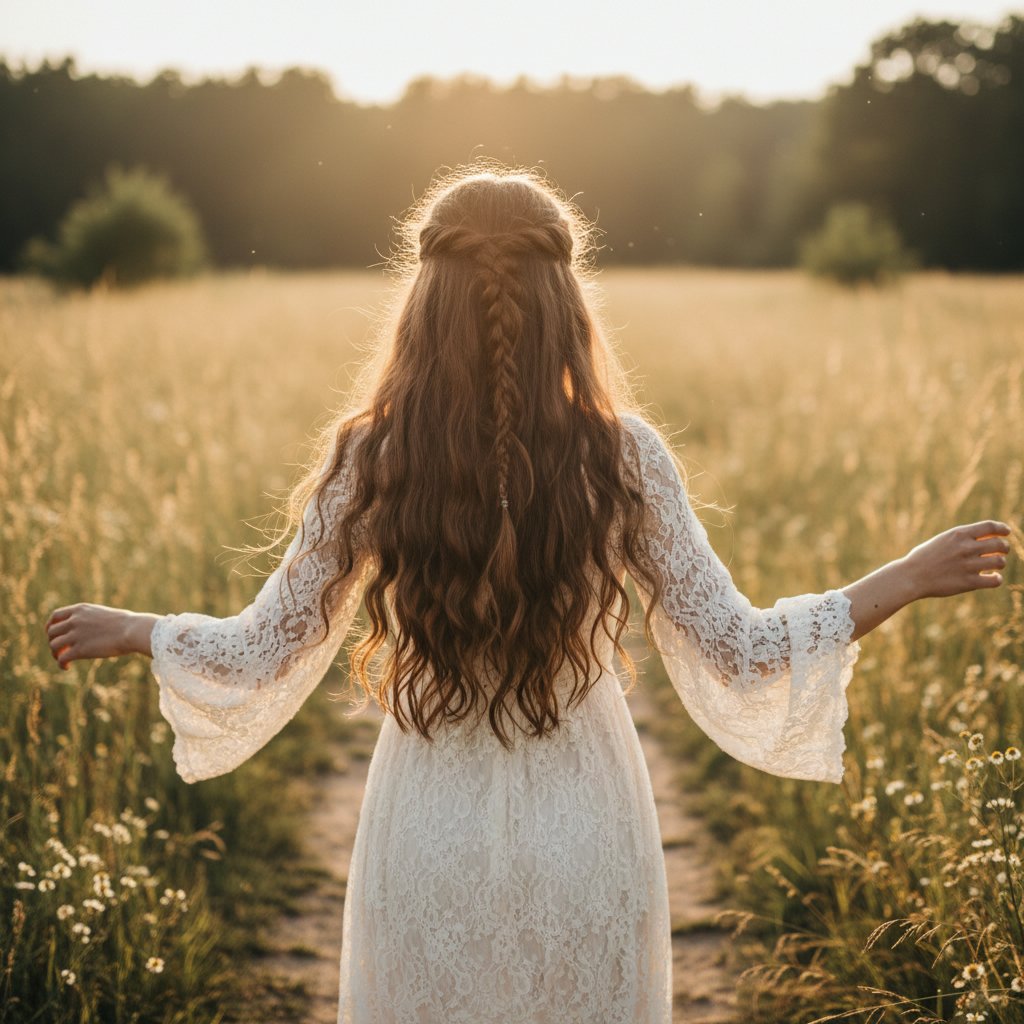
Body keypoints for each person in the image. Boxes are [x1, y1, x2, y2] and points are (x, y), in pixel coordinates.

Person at [45, 165, 1012, 1024]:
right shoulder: (623, 455)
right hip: (588, 824)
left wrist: (137, 629)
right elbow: (743, 650)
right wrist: (902, 579)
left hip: (426, 828)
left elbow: (264, 649)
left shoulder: (375, 453)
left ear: (422, 304)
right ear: (567, 302)